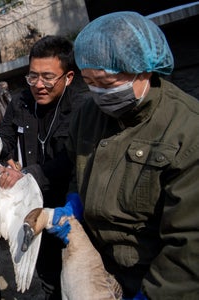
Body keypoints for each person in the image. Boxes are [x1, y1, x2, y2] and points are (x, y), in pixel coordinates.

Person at [50, 11, 199, 299]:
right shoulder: (87, 116)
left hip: (154, 276)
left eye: (106, 84)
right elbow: (76, 169)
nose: (97, 93)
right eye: (88, 82)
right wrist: (74, 202)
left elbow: (190, 242)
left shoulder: (186, 129)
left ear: (143, 70)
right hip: (100, 266)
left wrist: (156, 294)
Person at [0, 35, 89, 300]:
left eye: (48, 77)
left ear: (68, 77)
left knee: (75, 279)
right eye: (32, 76)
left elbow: (71, 160)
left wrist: (26, 175)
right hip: (32, 209)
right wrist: (5, 157)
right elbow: (5, 137)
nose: (39, 85)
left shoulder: (82, 109)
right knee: (44, 276)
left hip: (68, 210)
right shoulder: (20, 102)